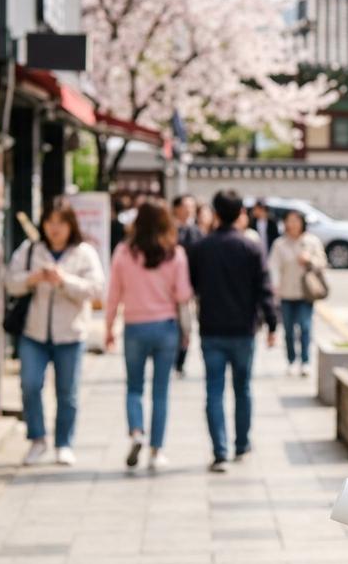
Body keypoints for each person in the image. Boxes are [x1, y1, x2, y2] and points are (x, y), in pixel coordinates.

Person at [5, 201, 105, 466]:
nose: (55, 228)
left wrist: (64, 281)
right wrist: (33, 278)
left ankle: (64, 443)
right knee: (29, 384)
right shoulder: (30, 250)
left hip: (70, 334)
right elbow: (10, 282)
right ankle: (37, 439)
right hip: (34, 332)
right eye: (50, 222)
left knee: (67, 391)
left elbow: (95, 290)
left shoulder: (84, 253)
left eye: (60, 222)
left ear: (71, 224)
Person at [189, 190, 279, 472]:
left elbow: (193, 284)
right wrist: (272, 324)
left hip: (211, 328)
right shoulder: (251, 247)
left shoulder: (202, 247)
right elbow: (264, 289)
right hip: (243, 329)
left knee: (213, 390)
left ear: (215, 213)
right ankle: (242, 444)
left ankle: (220, 452)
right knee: (242, 388)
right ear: (241, 213)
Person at [104, 200, 193, 470]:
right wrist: (186, 330)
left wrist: (109, 328)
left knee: (134, 387)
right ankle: (156, 451)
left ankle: (136, 432)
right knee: (161, 391)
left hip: (134, 326)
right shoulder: (174, 254)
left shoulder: (123, 252)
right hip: (165, 327)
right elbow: (183, 296)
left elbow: (113, 295)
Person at [269, 210, 327, 376]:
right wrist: (274, 287)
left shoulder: (311, 242)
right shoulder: (279, 244)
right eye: (289, 221)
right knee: (288, 329)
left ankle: (305, 361)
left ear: (302, 223)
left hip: (305, 293)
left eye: (296, 221)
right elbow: (273, 267)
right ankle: (291, 360)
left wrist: (309, 260)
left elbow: (322, 263)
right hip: (286, 293)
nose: (293, 224)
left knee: (305, 327)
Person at [171, 195, 202, 377]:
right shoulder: (169, 230)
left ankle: (180, 361)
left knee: (186, 326)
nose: (189, 209)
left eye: (192, 206)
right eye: (185, 206)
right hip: (168, 287)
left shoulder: (196, 232)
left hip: (189, 287)